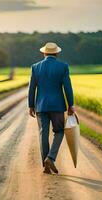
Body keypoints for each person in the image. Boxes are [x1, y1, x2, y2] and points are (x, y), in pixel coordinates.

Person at [28, 42, 75, 174]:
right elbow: (67, 87)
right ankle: (51, 157)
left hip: (41, 106)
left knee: (43, 133)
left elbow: (32, 88)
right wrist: (70, 104)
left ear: (44, 53)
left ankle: (46, 164)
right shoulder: (63, 66)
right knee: (59, 131)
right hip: (57, 106)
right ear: (57, 53)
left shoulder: (35, 67)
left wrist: (31, 105)